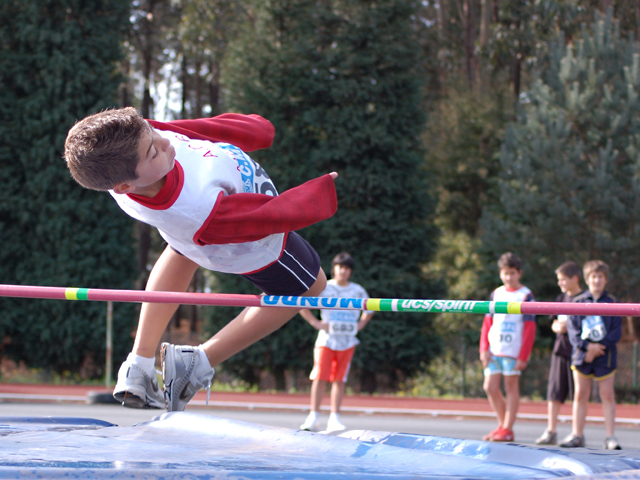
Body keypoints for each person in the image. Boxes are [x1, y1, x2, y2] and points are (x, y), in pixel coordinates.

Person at [64, 107, 338, 412]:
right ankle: (199, 361)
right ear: (125, 187)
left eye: (152, 132)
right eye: (154, 152)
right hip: (252, 242)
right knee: (310, 288)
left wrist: (248, 130)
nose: (165, 143)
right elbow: (265, 217)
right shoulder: (197, 207)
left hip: (192, 232)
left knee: (181, 251)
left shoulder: (135, 148)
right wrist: (317, 194)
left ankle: (138, 363)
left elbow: (187, 130)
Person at [298, 252, 374, 432]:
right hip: (327, 340)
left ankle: (335, 417)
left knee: (340, 379)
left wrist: (361, 324)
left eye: (347, 268)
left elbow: (370, 308)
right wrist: (315, 322)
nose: (343, 271)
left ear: (351, 271)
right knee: (320, 377)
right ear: (334, 269)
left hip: (347, 341)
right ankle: (314, 416)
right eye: (340, 267)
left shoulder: (357, 290)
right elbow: (301, 303)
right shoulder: (325, 288)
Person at [560, 260, 622, 450]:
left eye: (600, 277)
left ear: (605, 280)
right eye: (593, 277)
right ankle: (577, 434)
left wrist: (598, 348)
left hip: (605, 355)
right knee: (580, 394)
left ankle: (610, 437)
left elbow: (616, 331)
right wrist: (587, 348)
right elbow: (573, 330)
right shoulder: (578, 302)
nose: (596, 280)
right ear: (587, 279)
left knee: (607, 394)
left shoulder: (612, 303)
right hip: (582, 356)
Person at [479, 252, 536, 442]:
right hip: (495, 348)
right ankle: (502, 425)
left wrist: (523, 355)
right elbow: (488, 322)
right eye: (504, 273)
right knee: (490, 387)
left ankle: (507, 428)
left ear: (519, 273)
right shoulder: (497, 293)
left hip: (513, 350)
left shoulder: (525, 295)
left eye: (512, 273)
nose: (508, 277)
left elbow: (530, 327)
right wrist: (483, 348)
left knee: (510, 387)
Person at [536, 261, 583, 445]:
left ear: (574, 278)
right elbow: (554, 322)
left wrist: (571, 327)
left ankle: (576, 433)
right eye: (559, 280)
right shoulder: (560, 298)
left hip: (577, 351)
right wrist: (558, 327)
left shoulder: (585, 299)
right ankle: (551, 430)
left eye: (563, 280)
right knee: (554, 392)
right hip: (560, 350)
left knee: (577, 395)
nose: (560, 283)